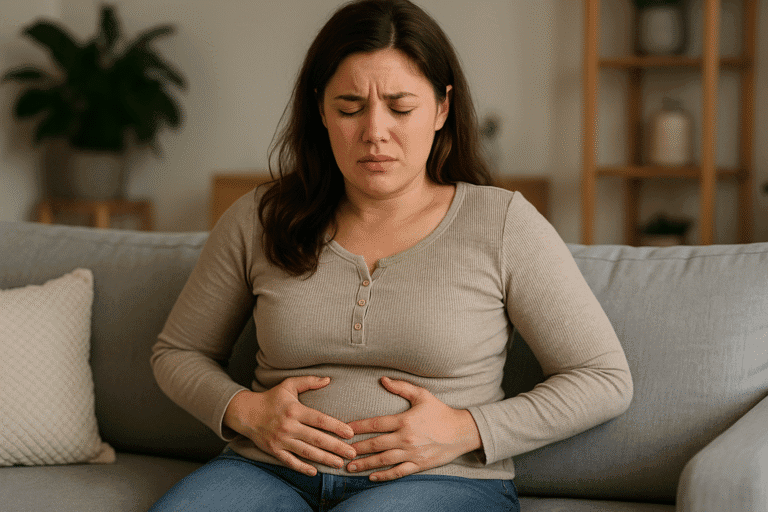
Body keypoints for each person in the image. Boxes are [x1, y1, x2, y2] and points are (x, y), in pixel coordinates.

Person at [149, 0, 633, 510]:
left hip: (441, 481)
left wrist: (468, 427)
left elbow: (603, 379)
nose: (374, 132)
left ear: (443, 108)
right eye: (349, 108)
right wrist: (245, 411)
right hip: (267, 471)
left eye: (401, 107)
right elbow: (177, 353)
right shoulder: (259, 218)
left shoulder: (504, 223)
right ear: (320, 109)